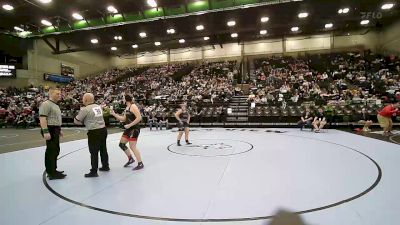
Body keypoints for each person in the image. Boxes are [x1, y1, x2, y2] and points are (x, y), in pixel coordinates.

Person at [74, 93, 109, 178]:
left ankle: (94, 171)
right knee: (103, 149)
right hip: (103, 129)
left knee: (93, 152)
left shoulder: (85, 109)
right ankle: (105, 166)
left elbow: (76, 120)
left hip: (94, 131)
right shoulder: (98, 107)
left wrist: (83, 122)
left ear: (86, 100)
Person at [110, 95, 144, 170]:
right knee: (121, 144)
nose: (122, 99)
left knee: (132, 146)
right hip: (129, 128)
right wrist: (114, 114)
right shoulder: (127, 108)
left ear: (126, 99)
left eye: (123, 98)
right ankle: (130, 159)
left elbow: (139, 118)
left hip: (134, 129)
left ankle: (140, 163)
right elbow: (123, 119)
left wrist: (129, 125)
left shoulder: (133, 106)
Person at [39, 88, 66, 180]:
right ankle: (51, 173)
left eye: (60, 94)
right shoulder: (46, 104)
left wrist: (59, 129)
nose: (60, 95)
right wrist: (46, 131)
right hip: (50, 129)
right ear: (51, 94)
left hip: (55, 128)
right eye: (57, 94)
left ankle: (53, 169)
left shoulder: (56, 105)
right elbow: (42, 118)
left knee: (55, 150)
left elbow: (56, 119)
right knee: (51, 151)